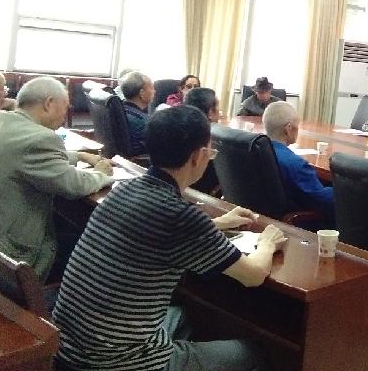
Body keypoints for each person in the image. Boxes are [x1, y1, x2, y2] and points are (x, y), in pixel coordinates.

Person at [52, 105, 286, 371]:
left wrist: (219, 223)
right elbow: (253, 275)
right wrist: (267, 243)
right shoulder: (180, 216)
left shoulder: (124, 189)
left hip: (69, 349)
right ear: (198, 156)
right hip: (117, 363)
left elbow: (156, 232)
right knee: (253, 353)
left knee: (185, 313)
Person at [0, 76, 114, 281]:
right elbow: (74, 185)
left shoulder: (3, 122)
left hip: (0, 236)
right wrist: (101, 174)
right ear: (49, 103)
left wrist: (79, 156)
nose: (65, 115)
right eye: (65, 107)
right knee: (96, 251)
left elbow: (26, 156)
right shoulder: (41, 138)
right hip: (14, 255)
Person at [263, 101, 334, 224]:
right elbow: (323, 201)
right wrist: (342, 191)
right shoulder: (295, 164)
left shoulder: (258, 151)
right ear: (289, 128)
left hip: (264, 217)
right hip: (299, 224)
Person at [184, 87, 220, 194]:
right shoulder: (209, 137)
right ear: (210, 112)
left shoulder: (180, 128)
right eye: (218, 107)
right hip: (203, 193)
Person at [120, 70, 154, 155]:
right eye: (152, 87)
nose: (154, 91)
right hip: (140, 160)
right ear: (141, 93)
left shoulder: (120, 110)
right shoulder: (143, 121)